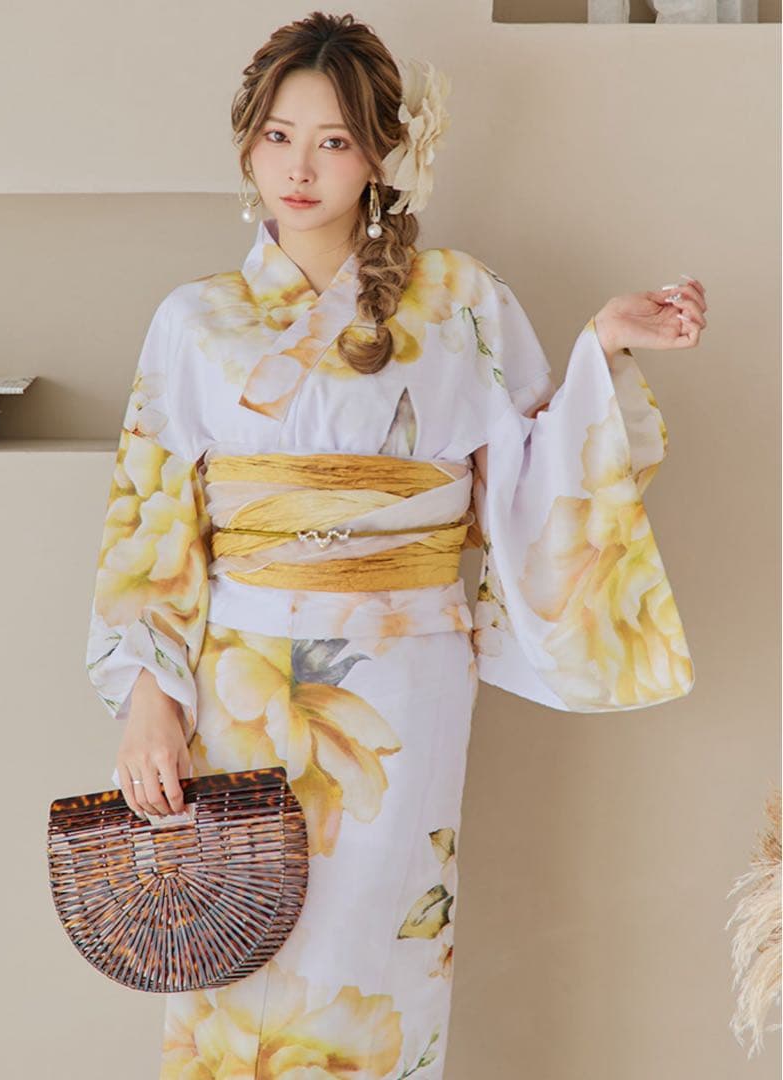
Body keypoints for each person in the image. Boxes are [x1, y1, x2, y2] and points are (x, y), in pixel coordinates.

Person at [84, 10, 705, 1076]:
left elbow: (530, 471)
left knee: (380, 959)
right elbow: (151, 518)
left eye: (332, 140)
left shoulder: (459, 300)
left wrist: (599, 348)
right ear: (247, 144)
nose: (300, 167)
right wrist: (153, 698)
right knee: (234, 942)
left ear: (380, 154)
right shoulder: (194, 321)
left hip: (404, 675)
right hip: (237, 677)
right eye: (279, 136)